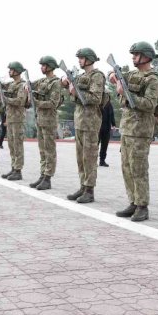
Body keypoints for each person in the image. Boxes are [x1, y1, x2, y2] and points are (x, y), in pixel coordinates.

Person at [111, 42, 158, 222]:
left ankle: (142, 206)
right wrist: (114, 77)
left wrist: (125, 94)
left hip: (141, 130)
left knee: (139, 169)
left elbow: (150, 104)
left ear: (146, 56)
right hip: (127, 129)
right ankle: (133, 201)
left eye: (136, 55)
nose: (133, 58)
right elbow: (113, 77)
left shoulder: (153, 79)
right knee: (126, 167)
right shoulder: (132, 74)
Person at [62, 48, 106, 204]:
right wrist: (67, 85)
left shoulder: (97, 76)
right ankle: (83, 185)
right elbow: (76, 97)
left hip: (91, 122)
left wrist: (75, 92)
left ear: (89, 59)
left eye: (81, 58)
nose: (79, 61)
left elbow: (95, 98)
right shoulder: (81, 76)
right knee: (80, 157)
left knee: (89, 157)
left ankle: (89, 190)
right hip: (80, 121)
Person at [30, 56, 63, 190]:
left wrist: (36, 102)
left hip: (49, 120)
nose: (41, 68)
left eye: (44, 65)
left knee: (49, 150)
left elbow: (53, 103)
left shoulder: (56, 83)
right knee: (42, 150)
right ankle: (43, 174)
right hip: (40, 119)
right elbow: (31, 84)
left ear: (49, 66)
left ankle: (48, 177)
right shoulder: (42, 81)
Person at [1, 62, 28, 180]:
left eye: (11, 70)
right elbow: (4, 87)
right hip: (11, 118)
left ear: (17, 71)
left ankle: (18, 170)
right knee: (11, 145)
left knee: (17, 145)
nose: (9, 72)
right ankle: (13, 168)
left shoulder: (22, 85)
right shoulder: (12, 84)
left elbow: (20, 101)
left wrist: (6, 99)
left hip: (17, 119)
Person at [98, 98, 116, 167]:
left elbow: (112, 115)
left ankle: (102, 161)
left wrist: (113, 124)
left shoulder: (110, 105)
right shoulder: (98, 103)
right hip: (98, 128)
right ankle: (93, 161)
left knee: (104, 146)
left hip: (107, 128)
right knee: (95, 145)